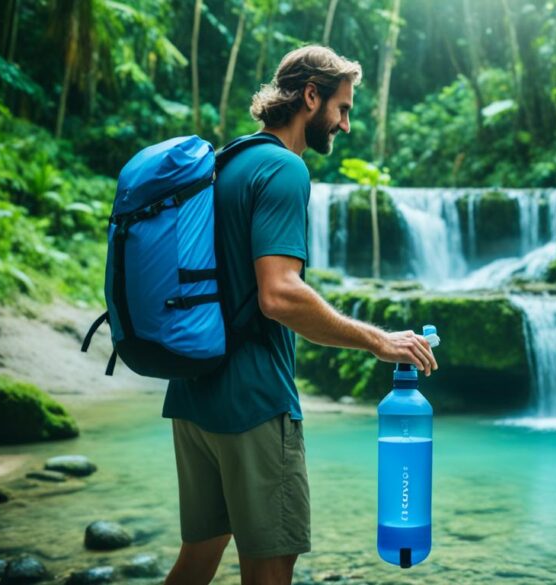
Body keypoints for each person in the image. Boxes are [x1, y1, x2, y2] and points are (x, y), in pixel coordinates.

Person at [161, 45, 438, 585]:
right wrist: (379, 341)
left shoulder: (227, 164)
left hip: (194, 396)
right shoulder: (284, 170)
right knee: (270, 568)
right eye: (343, 107)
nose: (347, 124)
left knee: (196, 561)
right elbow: (280, 295)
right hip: (254, 404)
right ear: (311, 96)